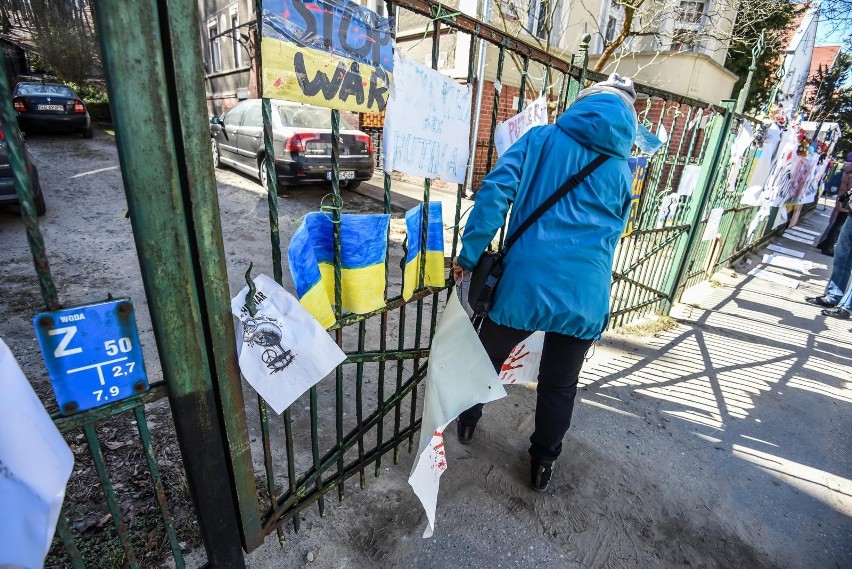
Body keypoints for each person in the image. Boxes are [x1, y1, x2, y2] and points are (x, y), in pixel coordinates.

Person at [451, 74, 637, 492]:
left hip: (526, 281)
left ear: (581, 103)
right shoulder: (622, 170)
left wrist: (468, 255)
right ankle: (542, 463)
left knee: (487, 357)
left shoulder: (540, 140)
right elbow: (614, 231)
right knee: (559, 383)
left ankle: (467, 422)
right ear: (628, 118)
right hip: (586, 293)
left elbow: (495, 192)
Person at [814, 155, 852, 256]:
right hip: (847, 204)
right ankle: (828, 247)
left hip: (843, 201)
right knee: (838, 226)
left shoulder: (848, 170)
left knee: (836, 224)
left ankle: (825, 244)